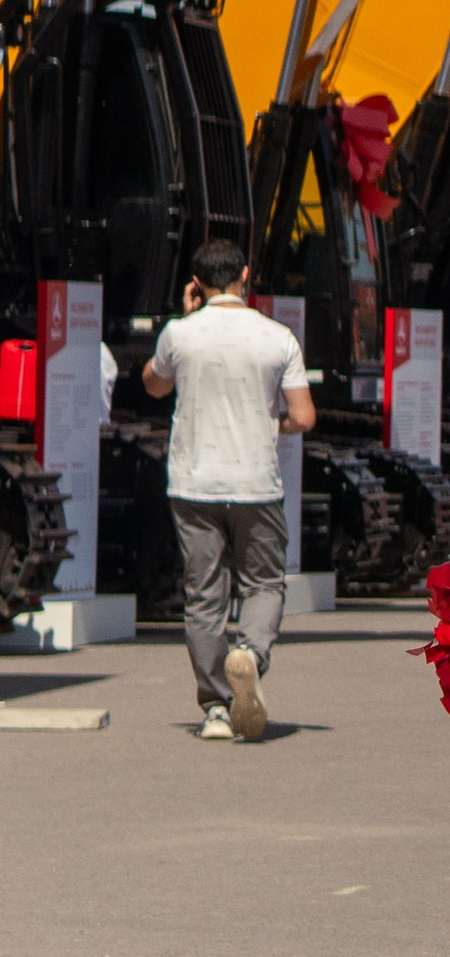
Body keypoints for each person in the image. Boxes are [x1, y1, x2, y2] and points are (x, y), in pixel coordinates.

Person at [143, 240, 316, 744]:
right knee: (263, 584)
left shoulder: (180, 334)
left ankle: (215, 708)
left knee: (204, 597)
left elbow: (154, 385)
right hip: (255, 484)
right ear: (245, 274)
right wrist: (266, 422)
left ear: (196, 284)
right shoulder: (277, 337)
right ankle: (252, 656)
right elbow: (303, 416)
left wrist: (182, 319)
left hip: (194, 484)